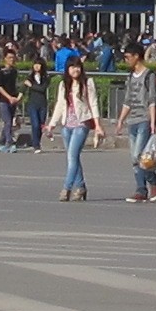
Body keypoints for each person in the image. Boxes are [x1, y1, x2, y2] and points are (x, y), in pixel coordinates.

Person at [48, 56, 100, 202]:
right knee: (73, 157)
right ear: (67, 69)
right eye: (72, 67)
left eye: (77, 66)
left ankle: (67, 188)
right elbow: (60, 105)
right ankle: (81, 186)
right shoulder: (64, 84)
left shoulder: (87, 83)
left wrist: (98, 125)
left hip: (81, 124)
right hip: (67, 125)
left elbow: (93, 103)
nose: (75, 70)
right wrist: (52, 124)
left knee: (72, 157)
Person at [121, 53, 156, 204]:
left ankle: (154, 182)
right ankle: (141, 190)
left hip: (144, 119)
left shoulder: (149, 75)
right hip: (132, 120)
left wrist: (152, 122)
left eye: (128, 57)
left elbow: (152, 99)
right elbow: (127, 100)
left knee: (138, 156)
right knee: (134, 158)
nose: (126, 60)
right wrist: (121, 120)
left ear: (137, 56)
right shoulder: (130, 76)